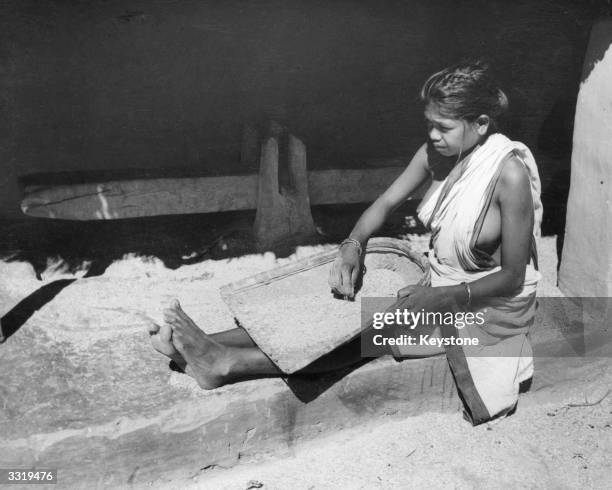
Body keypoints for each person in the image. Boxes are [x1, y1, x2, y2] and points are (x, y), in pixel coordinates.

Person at [149, 61, 542, 424]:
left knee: (372, 328)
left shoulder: (509, 176)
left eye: (444, 127)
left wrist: (441, 298)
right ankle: (201, 343)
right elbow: (386, 202)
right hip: (439, 282)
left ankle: (224, 366)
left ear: (482, 124)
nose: (433, 135)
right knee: (333, 299)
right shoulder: (434, 154)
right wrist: (353, 244)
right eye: (429, 125)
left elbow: (511, 277)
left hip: (485, 304)